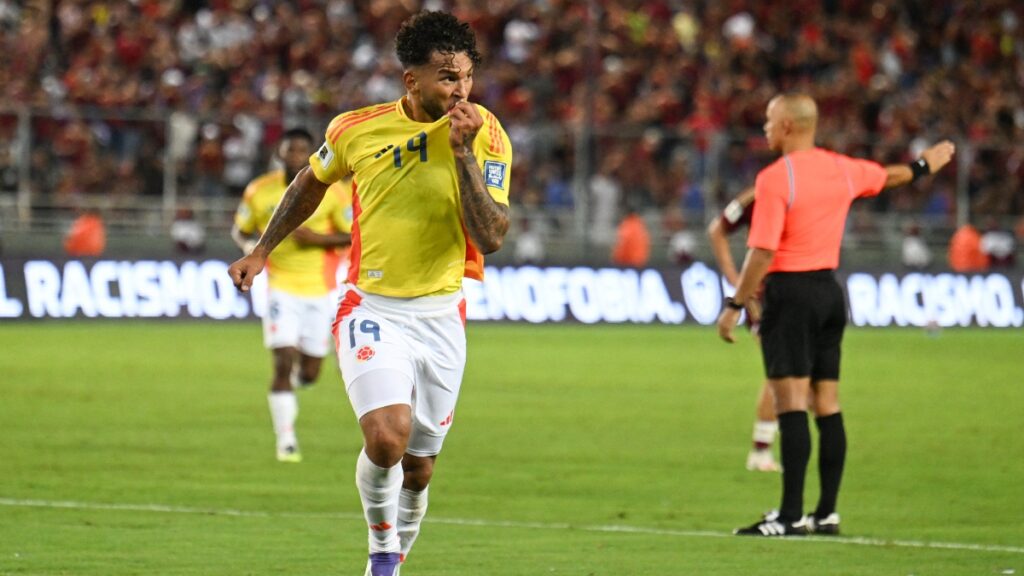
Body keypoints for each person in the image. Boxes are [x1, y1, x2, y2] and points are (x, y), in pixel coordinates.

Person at [228, 11, 511, 576]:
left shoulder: (487, 135)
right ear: (413, 81)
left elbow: (492, 236)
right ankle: (381, 557)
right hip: (371, 306)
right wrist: (262, 250)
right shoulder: (356, 128)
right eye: (447, 78)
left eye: (466, 78)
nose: (461, 91)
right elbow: (309, 183)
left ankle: (396, 555)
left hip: (441, 313)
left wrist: (460, 153)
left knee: (420, 467)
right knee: (386, 440)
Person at [717, 93, 955, 537]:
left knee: (790, 404)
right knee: (827, 404)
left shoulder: (775, 177)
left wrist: (734, 305)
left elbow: (763, 250)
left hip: (790, 295)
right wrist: (924, 166)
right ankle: (826, 513)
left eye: (769, 120)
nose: (765, 128)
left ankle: (788, 517)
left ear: (788, 125)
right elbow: (890, 177)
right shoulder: (842, 168)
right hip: (829, 293)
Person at [231, 127, 352, 464]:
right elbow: (240, 230)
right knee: (283, 360)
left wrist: (315, 240)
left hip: (322, 289)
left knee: (310, 372)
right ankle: (286, 440)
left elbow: (353, 235)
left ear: (312, 154)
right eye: (290, 149)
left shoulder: (335, 193)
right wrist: (254, 251)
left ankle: (300, 381)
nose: (296, 155)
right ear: (279, 154)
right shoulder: (259, 191)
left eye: (303, 150)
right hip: (279, 286)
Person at [706, 187, 780, 472]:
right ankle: (761, 451)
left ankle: (779, 433)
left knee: (801, 376)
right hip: (765, 297)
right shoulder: (760, 194)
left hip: (802, 292)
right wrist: (739, 284)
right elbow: (717, 230)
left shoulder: (809, 186)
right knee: (781, 372)